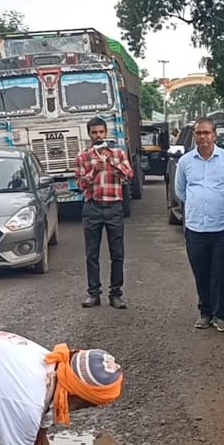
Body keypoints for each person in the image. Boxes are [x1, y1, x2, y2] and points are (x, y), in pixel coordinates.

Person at [175, 118, 224, 332]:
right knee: (200, 272)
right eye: (198, 133)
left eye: (206, 133)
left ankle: (221, 315)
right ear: (194, 136)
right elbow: (180, 191)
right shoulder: (185, 162)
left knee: (220, 274)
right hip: (195, 228)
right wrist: (199, 203)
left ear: (214, 135)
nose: (202, 137)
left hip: (221, 227)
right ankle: (205, 313)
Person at [76, 117, 134, 309]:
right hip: (92, 207)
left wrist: (111, 163)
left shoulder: (118, 154)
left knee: (117, 253)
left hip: (114, 207)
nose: (98, 135)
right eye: (94, 132)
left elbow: (129, 174)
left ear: (106, 132)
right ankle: (93, 294)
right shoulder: (83, 156)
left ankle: (116, 294)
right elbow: (80, 184)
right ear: (89, 134)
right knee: (91, 254)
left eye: (101, 132)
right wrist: (93, 171)